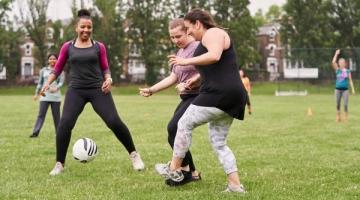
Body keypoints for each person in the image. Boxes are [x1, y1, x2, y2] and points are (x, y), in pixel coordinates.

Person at [40, 9, 144, 176]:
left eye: (89, 27)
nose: (86, 30)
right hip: (76, 90)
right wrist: (46, 84)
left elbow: (105, 68)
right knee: (64, 124)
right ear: (76, 27)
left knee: (114, 121)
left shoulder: (99, 47)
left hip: (98, 89)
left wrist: (108, 80)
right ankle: (59, 164)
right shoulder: (67, 47)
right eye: (83, 27)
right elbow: (57, 68)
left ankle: (134, 155)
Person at [166, 8, 247, 193]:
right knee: (219, 142)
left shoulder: (214, 32)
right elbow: (216, 67)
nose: (188, 32)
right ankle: (235, 185)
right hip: (231, 96)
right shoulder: (206, 40)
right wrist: (192, 81)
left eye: (188, 28)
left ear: (198, 23)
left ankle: (173, 168)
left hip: (220, 94)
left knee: (184, 123)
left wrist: (184, 62)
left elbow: (215, 55)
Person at [139, 18, 201, 186]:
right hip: (187, 97)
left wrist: (190, 82)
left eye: (178, 36)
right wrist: (152, 90)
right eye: (172, 37)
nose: (175, 41)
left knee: (174, 128)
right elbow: (173, 77)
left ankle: (185, 171)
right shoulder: (179, 52)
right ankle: (192, 171)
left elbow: (207, 72)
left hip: (199, 95)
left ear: (188, 31)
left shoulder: (197, 47)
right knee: (173, 132)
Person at [30, 53, 64, 138]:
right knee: (41, 115)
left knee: (56, 116)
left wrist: (56, 88)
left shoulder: (60, 70)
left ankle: (59, 133)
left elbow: (61, 82)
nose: (52, 60)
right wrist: (36, 93)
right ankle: (35, 132)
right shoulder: (43, 70)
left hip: (55, 97)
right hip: (44, 96)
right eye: (50, 59)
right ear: (48, 60)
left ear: (57, 60)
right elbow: (40, 83)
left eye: (54, 59)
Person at [331, 49, 355, 122]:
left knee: (345, 104)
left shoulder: (347, 71)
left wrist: (353, 89)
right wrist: (336, 54)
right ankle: (338, 117)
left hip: (345, 90)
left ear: (345, 63)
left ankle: (346, 117)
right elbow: (333, 62)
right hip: (337, 89)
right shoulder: (337, 70)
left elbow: (350, 80)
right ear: (338, 63)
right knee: (337, 104)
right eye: (340, 62)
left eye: (342, 62)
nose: (341, 63)